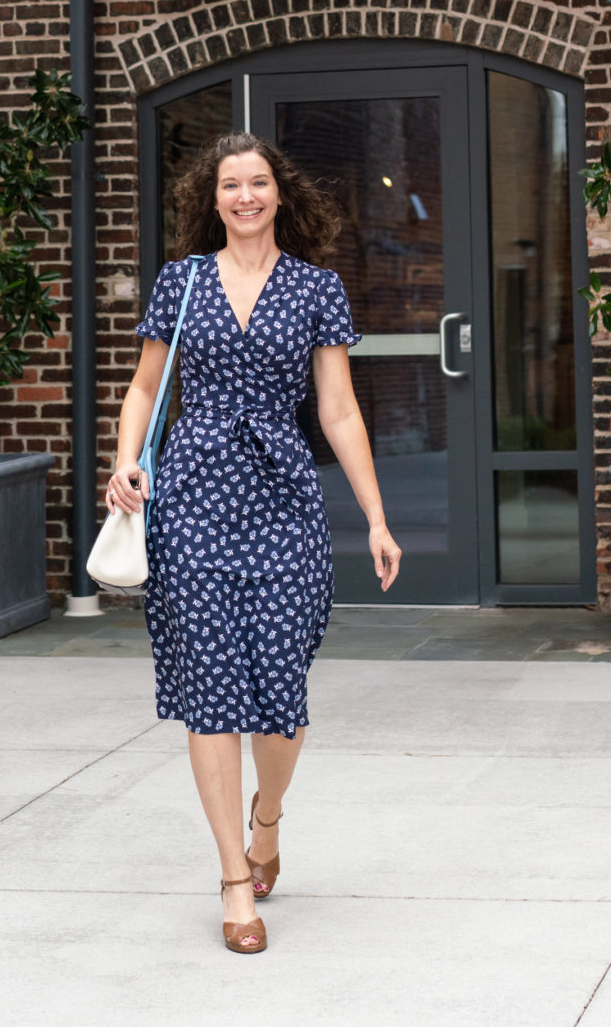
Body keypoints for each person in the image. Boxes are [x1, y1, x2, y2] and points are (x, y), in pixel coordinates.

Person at [107, 130, 401, 954]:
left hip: (283, 504)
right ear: (213, 198)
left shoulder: (316, 288)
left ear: (280, 195)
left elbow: (339, 412)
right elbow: (142, 387)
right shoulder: (183, 283)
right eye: (230, 184)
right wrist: (126, 462)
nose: (244, 196)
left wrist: (375, 517)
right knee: (211, 690)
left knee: (280, 687)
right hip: (192, 504)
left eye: (258, 183)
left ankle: (266, 821)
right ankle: (235, 881)